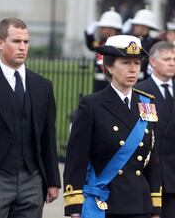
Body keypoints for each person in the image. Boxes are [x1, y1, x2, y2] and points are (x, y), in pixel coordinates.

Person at [0, 17, 61, 218]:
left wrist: (53, 180)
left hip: (32, 179)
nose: (22, 47)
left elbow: (47, 136)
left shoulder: (43, 86)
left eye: (26, 42)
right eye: (16, 41)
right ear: (0, 43)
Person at [63, 35, 162, 218]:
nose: (133, 69)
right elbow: (76, 159)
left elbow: (152, 160)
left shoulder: (147, 103)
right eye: (125, 62)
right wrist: (75, 207)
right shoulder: (91, 105)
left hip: (140, 205)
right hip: (105, 204)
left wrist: (156, 206)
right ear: (109, 66)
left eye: (136, 63)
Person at [135, 41, 175, 218]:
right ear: (152, 62)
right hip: (152, 175)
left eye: (174, 58)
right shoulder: (140, 91)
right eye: (167, 59)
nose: (172, 63)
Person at [84, 7, 122, 92]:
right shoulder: (102, 42)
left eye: (103, 27)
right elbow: (92, 46)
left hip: (111, 85)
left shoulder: (119, 44)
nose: (101, 29)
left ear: (111, 29)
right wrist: (89, 36)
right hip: (99, 84)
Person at [127, 8, 160, 80]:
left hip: (145, 79)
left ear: (145, 26)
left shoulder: (153, 44)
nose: (134, 27)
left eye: (137, 24)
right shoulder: (132, 41)